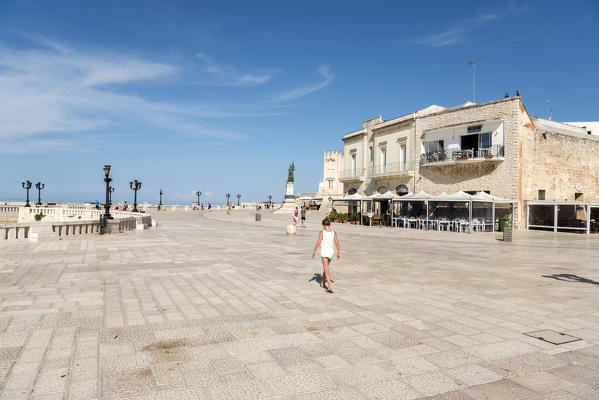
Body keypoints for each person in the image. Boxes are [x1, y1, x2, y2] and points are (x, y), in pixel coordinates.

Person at [311, 217, 340, 293]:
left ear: (323, 225)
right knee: (326, 268)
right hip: (331, 252)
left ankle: (329, 285)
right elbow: (337, 243)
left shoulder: (322, 232)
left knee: (326, 269)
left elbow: (318, 243)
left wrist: (314, 252)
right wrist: (338, 252)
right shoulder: (334, 232)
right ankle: (322, 282)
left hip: (324, 252)